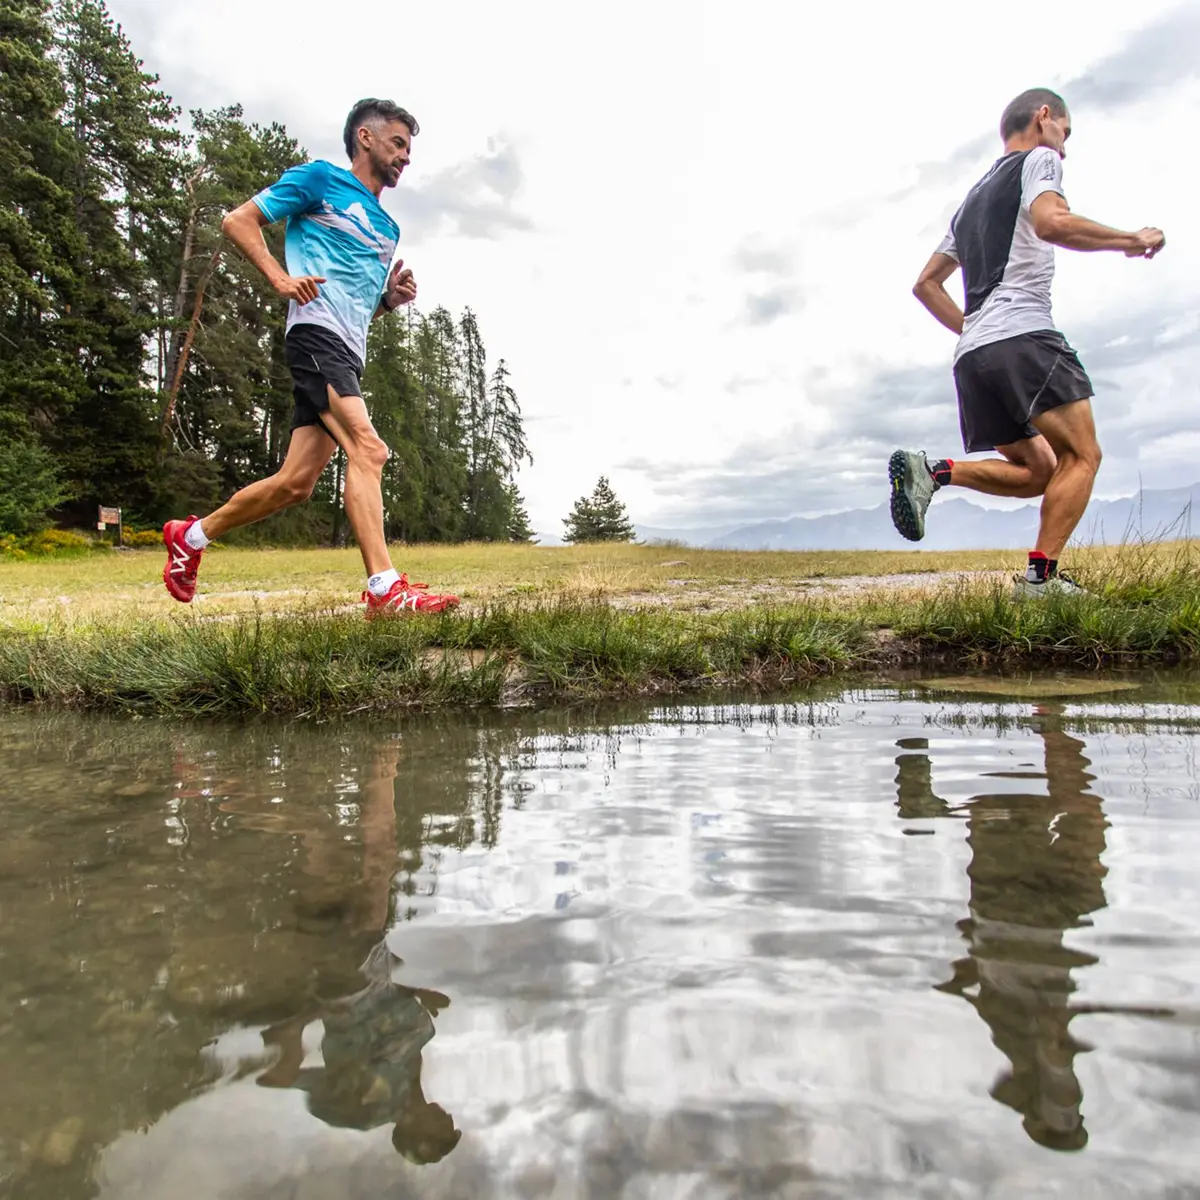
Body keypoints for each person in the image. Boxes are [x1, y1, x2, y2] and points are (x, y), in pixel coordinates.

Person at [161, 98, 459, 616]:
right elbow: (239, 221)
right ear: (365, 138)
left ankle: (192, 537)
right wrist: (279, 278)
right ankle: (385, 589)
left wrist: (388, 299)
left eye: (409, 150)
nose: (405, 157)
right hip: (315, 337)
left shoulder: (388, 231)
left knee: (295, 484)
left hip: (346, 347)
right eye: (398, 144)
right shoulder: (320, 180)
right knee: (370, 449)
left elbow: (359, 308)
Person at [889, 88, 1166, 597]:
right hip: (1023, 335)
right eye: (1065, 131)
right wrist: (1132, 239)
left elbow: (926, 284)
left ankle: (933, 472)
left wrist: (978, 331)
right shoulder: (1038, 160)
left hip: (974, 357)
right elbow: (1051, 222)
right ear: (1044, 119)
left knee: (1039, 470)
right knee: (1083, 455)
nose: (1065, 148)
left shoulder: (970, 202)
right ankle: (1041, 581)